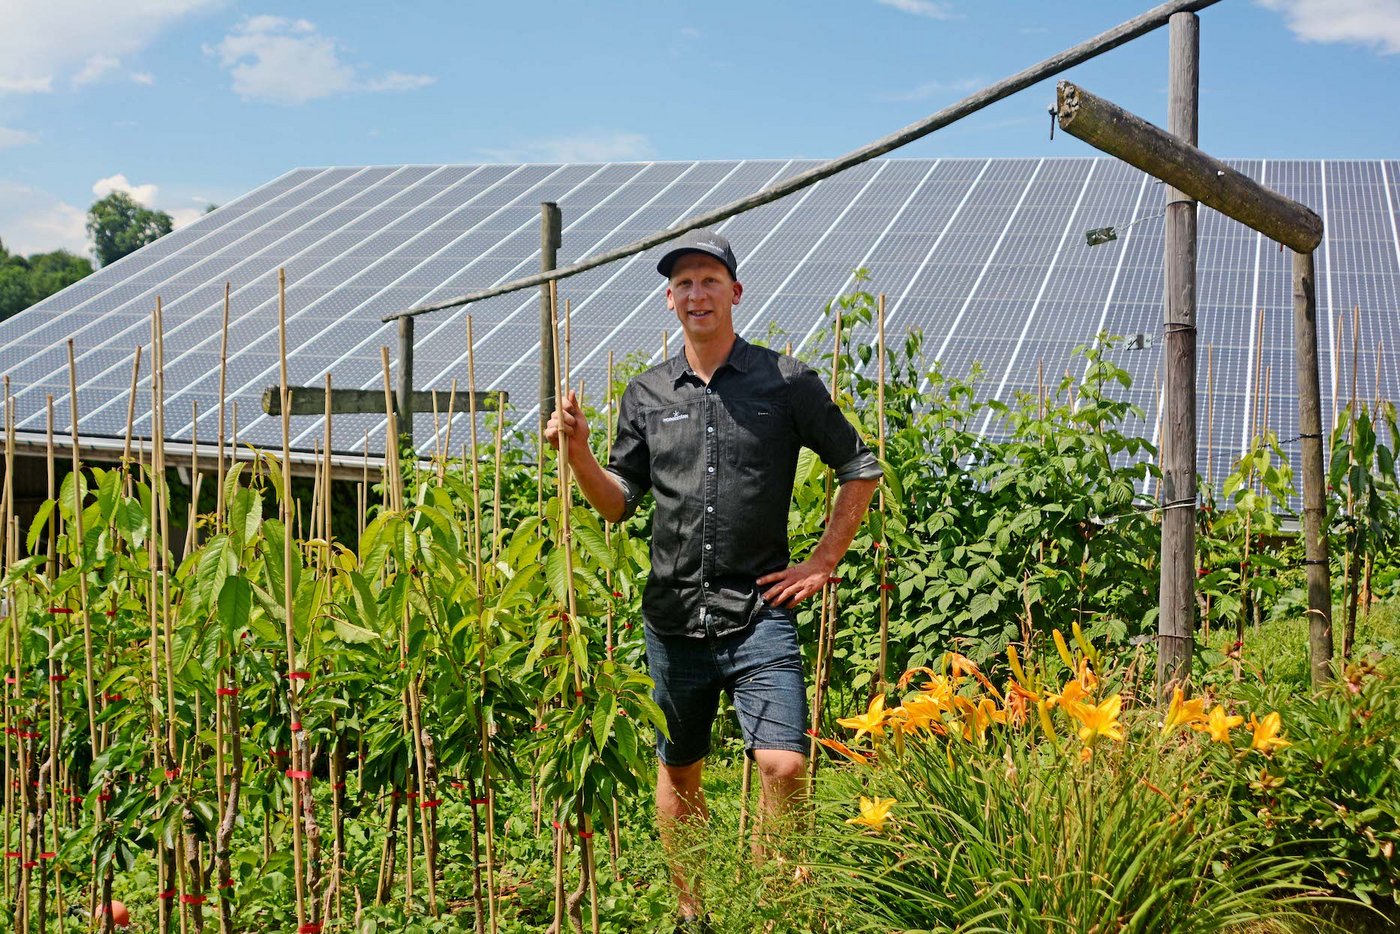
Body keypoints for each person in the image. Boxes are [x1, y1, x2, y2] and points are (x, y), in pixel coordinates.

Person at [545, 229, 880, 931]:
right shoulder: (647, 393)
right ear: (670, 301)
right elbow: (616, 503)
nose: (697, 294)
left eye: (709, 280)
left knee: (784, 765)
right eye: (683, 284)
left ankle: (769, 903)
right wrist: (577, 453)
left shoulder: (785, 382)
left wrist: (823, 561)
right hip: (672, 618)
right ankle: (693, 911)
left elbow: (859, 465)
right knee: (681, 771)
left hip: (759, 610)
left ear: (735, 292)